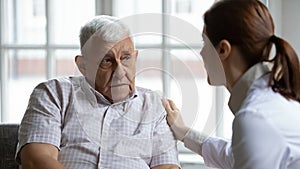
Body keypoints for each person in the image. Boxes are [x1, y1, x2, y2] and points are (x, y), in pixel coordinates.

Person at [16, 15, 180, 169]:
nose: (120, 72)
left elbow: (168, 166)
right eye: (107, 61)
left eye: (126, 57)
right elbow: (35, 160)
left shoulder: (155, 106)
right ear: (83, 66)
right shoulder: (54, 94)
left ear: (135, 58)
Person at [162, 0, 300, 169]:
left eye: (205, 43)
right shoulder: (273, 99)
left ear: (223, 50)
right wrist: (184, 132)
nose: (201, 52)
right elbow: (233, 157)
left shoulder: (255, 117)